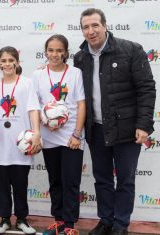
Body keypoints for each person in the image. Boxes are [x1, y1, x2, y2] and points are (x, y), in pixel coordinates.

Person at [74, 8, 156, 235]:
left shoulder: (130, 50)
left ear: (105, 25)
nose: (90, 31)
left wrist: (144, 124)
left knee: (126, 180)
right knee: (102, 179)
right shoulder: (80, 57)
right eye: (85, 27)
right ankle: (106, 220)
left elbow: (146, 89)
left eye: (95, 25)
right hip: (96, 129)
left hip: (127, 129)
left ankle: (121, 225)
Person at [32, 34, 86, 235]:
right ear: (46, 51)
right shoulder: (38, 75)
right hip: (48, 136)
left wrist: (77, 134)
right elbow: (34, 106)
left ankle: (70, 226)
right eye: (51, 50)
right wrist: (43, 125)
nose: (55, 54)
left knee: (70, 180)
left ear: (65, 52)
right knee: (55, 180)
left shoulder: (75, 73)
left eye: (59, 50)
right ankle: (59, 221)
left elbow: (81, 104)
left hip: (71, 136)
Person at [0, 46, 41, 235]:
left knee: (21, 184)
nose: (7, 64)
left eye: (11, 60)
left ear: (17, 63)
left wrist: (36, 133)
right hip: (0, 144)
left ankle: (21, 219)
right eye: (3, 61)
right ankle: (4, 219)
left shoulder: (26, 83)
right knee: (2, 184)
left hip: (22, 144)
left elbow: (33, 109)